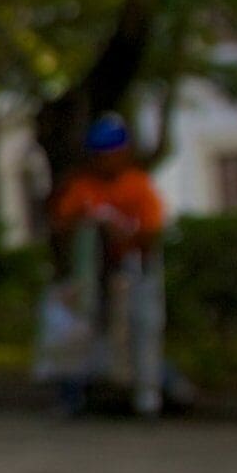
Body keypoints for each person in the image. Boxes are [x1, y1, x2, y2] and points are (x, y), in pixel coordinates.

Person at [35, 113, 175, 416]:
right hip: (92, 276)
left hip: (134, 272)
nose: (102, 161)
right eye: (97, 155)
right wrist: (86, 224)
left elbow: (150, 235)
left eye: (108, 154)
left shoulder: (139, 186)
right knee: (73, 328)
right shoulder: (83, 187)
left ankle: (146, 399)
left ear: (122, 153)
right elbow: (60, 225)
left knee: (142, 328)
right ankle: (76, 395)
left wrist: (120, 235)